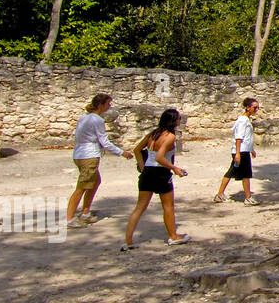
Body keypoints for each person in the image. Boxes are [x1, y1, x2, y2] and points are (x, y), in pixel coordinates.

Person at [122, 108, 191, 250]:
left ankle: (128, 241)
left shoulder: (152, 134)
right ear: (173, 121)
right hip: (161, 173)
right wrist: (174, 168)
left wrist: (142, 166)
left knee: (139, 207)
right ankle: (173, 236)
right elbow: (160, 158)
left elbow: (137, 150)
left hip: (147, 172)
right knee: (168, 206)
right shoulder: (170, 136)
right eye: (178, 118)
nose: (180, 121)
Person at [69, 94, 132, 226]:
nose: (109, 107)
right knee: (82, 187)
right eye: (108, 104)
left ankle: (85, 212)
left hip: (80, 153)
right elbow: (105, 142)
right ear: (100, 105)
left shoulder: (84, 118)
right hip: (89, 155)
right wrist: (122, 153)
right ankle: (69, 218)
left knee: (95, 181)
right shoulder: (97, 120)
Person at [214, 97, 260, 204]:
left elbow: (247, 137)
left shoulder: (246, 120)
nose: (256, 109)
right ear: (247, 108)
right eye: (254, 107)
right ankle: (248, 197)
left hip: (244, 150)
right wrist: (238, 154)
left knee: (233, 172)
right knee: (245, 174)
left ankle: (220, 194)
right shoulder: (242, 120)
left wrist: (251, 149)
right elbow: (239, 137)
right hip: (241, 151)